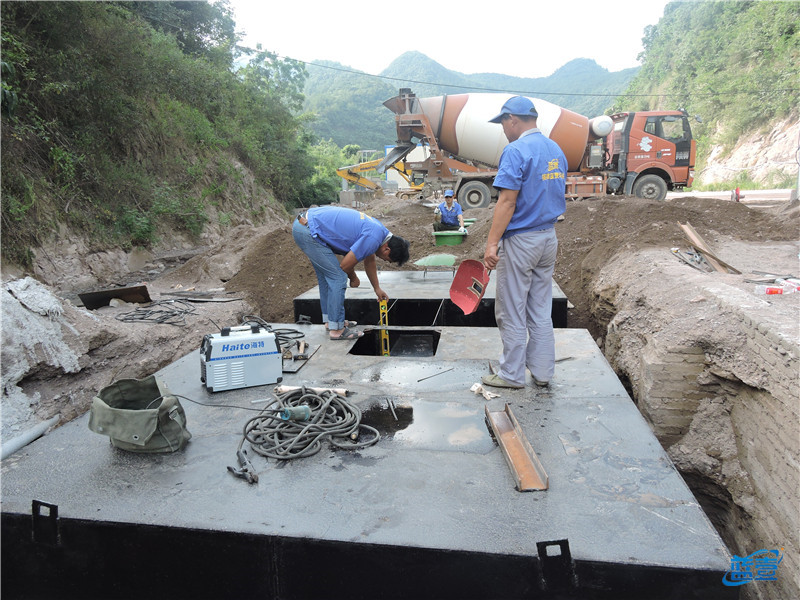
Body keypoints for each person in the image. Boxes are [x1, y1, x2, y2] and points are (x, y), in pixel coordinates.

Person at [481, 96, 567, 389]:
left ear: (512, 120)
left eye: (503, 123)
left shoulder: (516, 150)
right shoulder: (555, 149)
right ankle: (543, 373)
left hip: (521, 240)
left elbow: (507, 202)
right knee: (540, 308)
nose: (503, 129)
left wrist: (492, 244)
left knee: (511, 308)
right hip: (548, 237)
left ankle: (511, 374)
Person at [292, 205, 410, 340]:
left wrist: (377, 288)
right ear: (387, 249)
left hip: (306, 225)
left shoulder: (380, 232)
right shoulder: (373, 237)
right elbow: (345, 266)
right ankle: (337, 330)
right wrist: (354, 278)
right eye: (387, 259)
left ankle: (331, 322)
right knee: (338, 278)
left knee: (327, 277)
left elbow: (369, 262)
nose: (383, 259)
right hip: (308, 230)